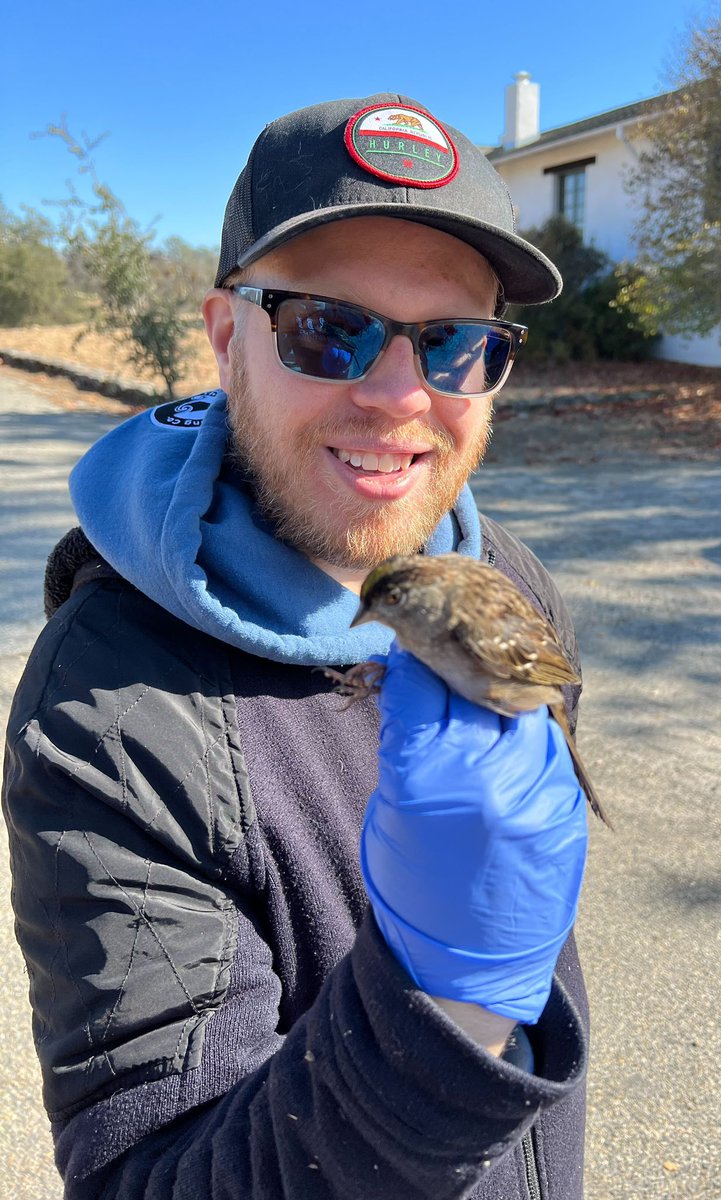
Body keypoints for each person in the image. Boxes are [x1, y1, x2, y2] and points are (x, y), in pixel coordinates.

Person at [2, 93, 593, 1199]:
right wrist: (450, 1007)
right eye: (330, 327)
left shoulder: (506, 570)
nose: (399, 396)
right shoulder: (108, 718)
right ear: (229, 337)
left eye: (457, 344)